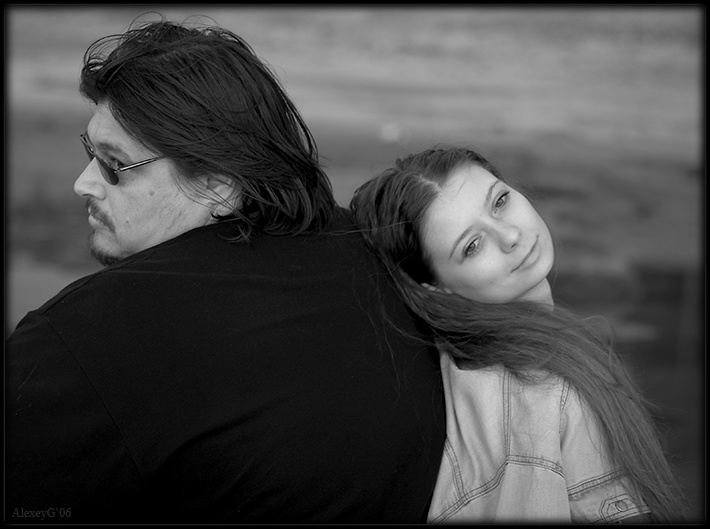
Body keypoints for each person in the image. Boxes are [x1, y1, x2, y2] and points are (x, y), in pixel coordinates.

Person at [5, 16, 447, 524]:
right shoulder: (380, 256)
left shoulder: (82, 341)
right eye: (90, 152)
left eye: (113, 164)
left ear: (217, 186)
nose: (84, 183)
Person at [349, 145, 688, 523]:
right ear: (435, 288)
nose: (510, 235)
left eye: (500, 201)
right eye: (472, 246)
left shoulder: (477, 367)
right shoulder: (546, 394)